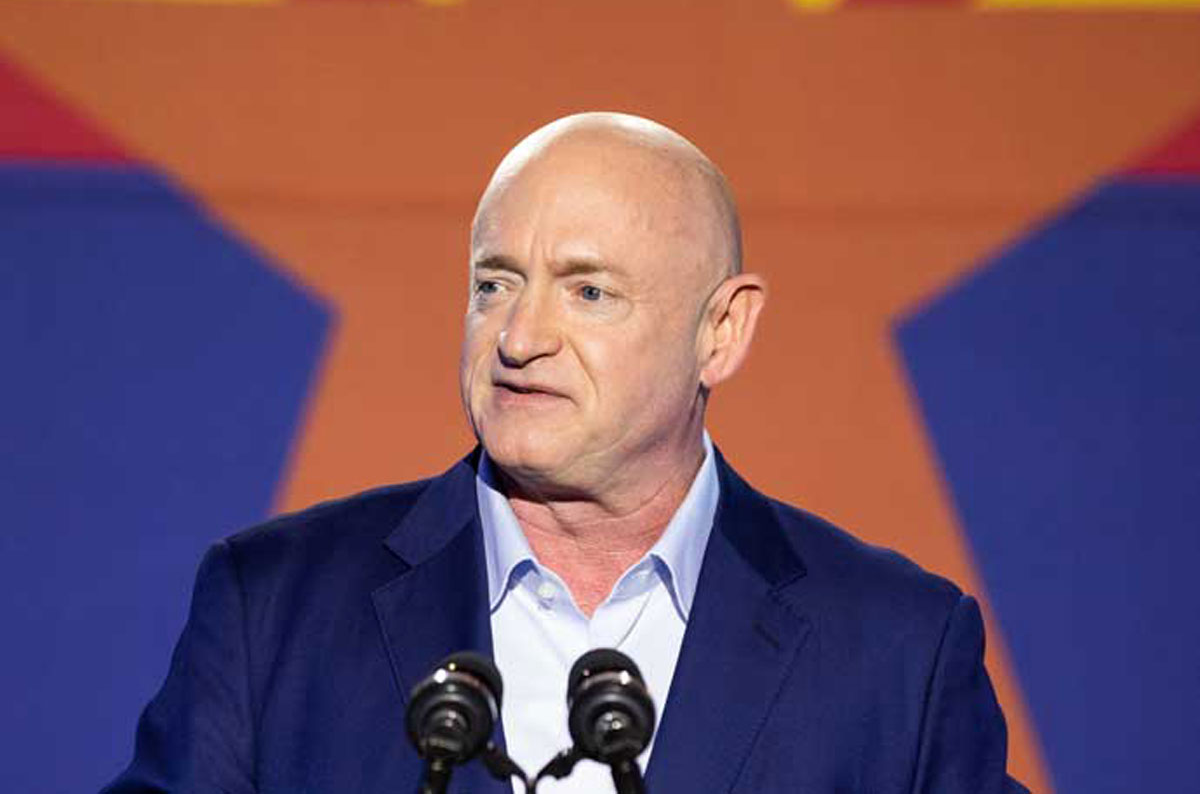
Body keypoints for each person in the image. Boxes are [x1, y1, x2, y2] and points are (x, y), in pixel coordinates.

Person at [104, 113, 1029, 793]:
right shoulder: (273, 609)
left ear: (722, 330)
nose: (519, 336)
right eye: (495, 283)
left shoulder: (898, 651)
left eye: (589, 292)